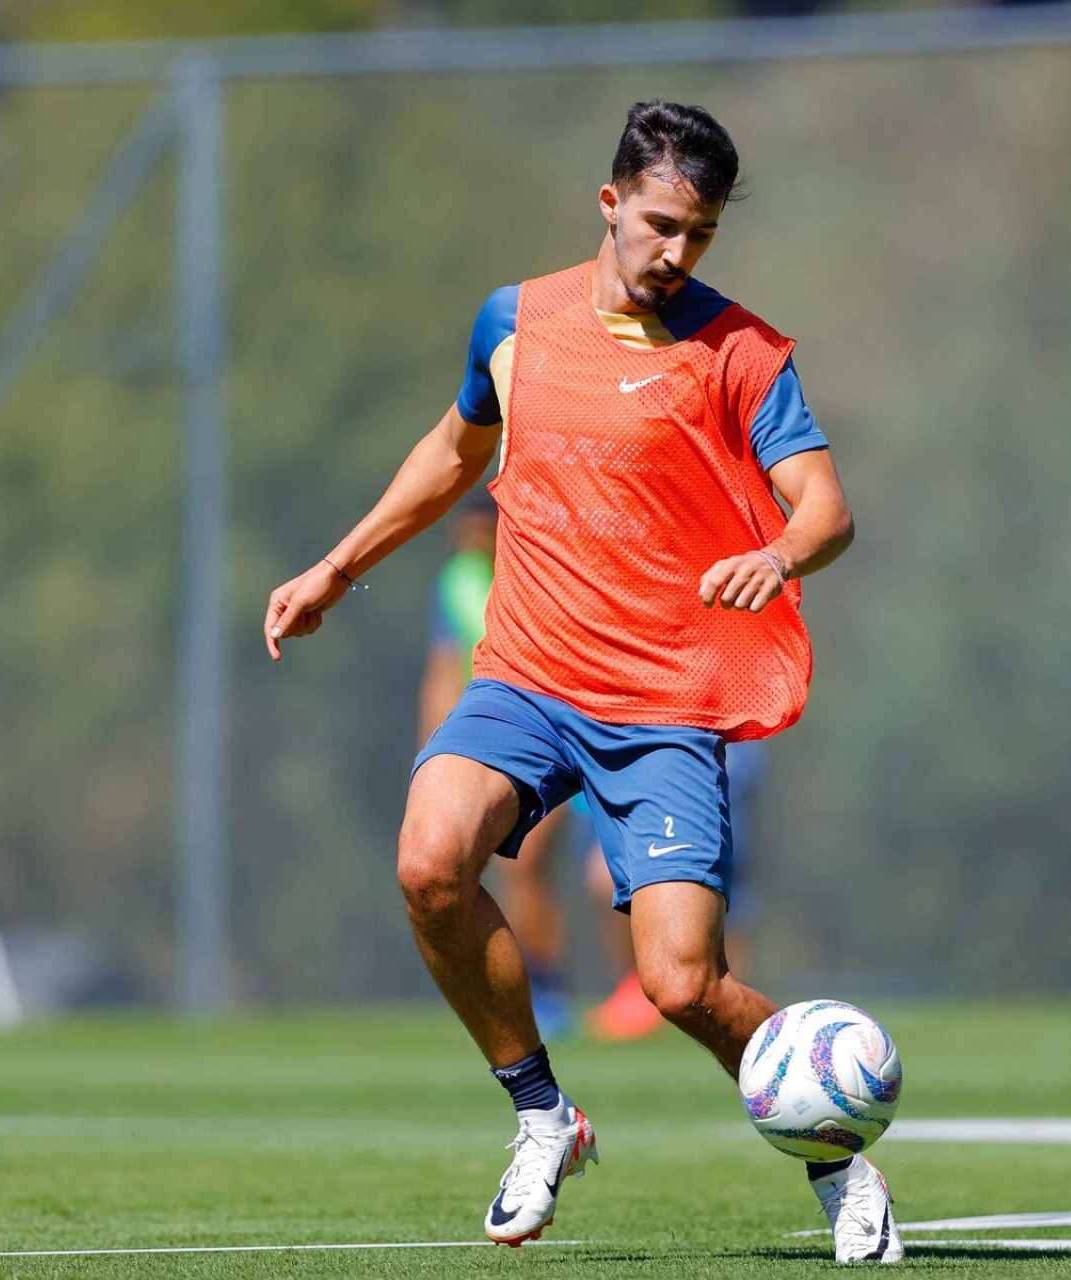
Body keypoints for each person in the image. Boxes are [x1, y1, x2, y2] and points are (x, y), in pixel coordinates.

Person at [264, 102, 896, 1262]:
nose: (677, 251)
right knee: (429, 862)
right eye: (661, 224)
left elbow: (827, 509)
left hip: (663, 700)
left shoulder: (741, 353)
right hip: (528, 674)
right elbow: (453, 451)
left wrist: (778, 553)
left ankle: (840, 1154)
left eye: (700, 234)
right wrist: (335, 567)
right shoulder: (514, 320)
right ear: (609, 204)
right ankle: (542, 1112)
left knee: (682, 983)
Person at [418, 495, 574, 1039]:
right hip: (492, 744)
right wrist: (433, 751)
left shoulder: (539, 574)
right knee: (507, 868)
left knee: (538, 866)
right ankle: (531, 986)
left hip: (557, 740)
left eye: (478, 533)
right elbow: (443, 670)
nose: (469, 544)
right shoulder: (456, 583)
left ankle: (553, 986)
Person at [589, 738, 766, 1040]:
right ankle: (635, 988)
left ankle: (725, 998)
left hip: (711, 743)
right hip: (638, 747)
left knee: (725, 887)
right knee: (605, 875)